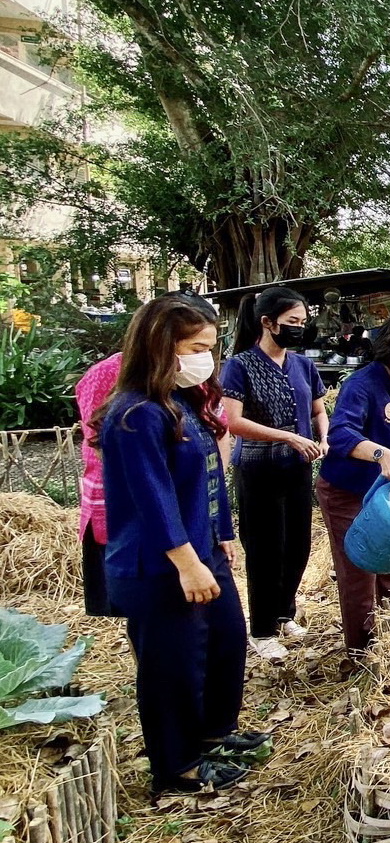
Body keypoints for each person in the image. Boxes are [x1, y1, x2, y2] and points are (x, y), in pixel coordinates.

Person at [98, 293, 264, 795]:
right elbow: (154, 499)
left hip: (202, 551)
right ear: (160, 346)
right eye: (195, 346)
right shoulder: (135, 415)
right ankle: (178, 767)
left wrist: (224, 536)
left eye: (211, 347)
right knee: (172, 663)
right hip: (161, 563)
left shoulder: (183, 405)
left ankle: (213, 732)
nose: (204, 359)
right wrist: (188, 563)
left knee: (226, 641)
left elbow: (209, 479)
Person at [318, 312, 390, 663]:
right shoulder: (362, 384)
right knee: (360, 567)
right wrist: (380, 452)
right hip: (348, 489)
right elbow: (340, 435)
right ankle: (362, 652)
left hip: (384, 491)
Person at [221, 287, 329, 661]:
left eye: (302, 322)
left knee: (297, 546)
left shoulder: (304, 365)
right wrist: (288, 436)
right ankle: (262, 629)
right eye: (291, 323)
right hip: (258, 469)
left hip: (297, 468)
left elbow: (318, 410)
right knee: (265, 550)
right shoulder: (240, 365)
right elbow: (234, 422)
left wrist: (324, 436)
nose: (299, 329)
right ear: (268, 322)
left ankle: (285, 613)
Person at [75, 351, 123, 617]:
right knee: (126, 602)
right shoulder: (105, 374)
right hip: (115, 499)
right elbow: (96, 437)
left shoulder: (187, 377)